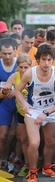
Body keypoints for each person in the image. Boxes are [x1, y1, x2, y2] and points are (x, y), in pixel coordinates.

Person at [15, 44, 55, 182]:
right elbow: (18, 91)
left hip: (50, 109)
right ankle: (32, 171)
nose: (47, 63)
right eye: (44, 59)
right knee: (34, 142)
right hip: (34, 110)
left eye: (50, 60)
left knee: (51, 142)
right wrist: (24, 104)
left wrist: (46, 112)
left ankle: (47, 166)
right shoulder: (30, 73)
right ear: (38, 59)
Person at [3, 55, 32, 177]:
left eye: (26, 67)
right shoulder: (15, 76)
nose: (23, 70)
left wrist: (16, 92)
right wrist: (6, 90)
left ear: (31, 66)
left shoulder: (34, 75)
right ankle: (27, 164)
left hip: (33, 112)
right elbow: (6, 87)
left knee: (34, 141)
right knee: (23, 139)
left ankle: (36, 164)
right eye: (21, 67)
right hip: (21, 111)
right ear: (17, 67)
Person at [0, 39, 18, 171]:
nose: (7, 56)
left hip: (18, 102)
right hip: (4, 103)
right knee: (3, 134)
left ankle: (15, 157)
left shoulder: (20, 64)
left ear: (15, 52)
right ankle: (3, 160)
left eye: (10, 53)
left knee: (17, 134)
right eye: (4, 53)